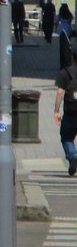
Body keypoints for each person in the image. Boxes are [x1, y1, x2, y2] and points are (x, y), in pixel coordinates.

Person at [53, 44, 77, 177]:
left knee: (66, 137)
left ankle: (73, 155)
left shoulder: (65, 73)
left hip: (71, 113)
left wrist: (56, 111)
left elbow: (59, 93)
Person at [55, 3, 73, 68]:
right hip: (68, 27)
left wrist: (55, 28)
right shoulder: (69, 14)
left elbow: (56, 22)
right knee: (68, 41)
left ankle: (63, 61)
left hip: (61, 28)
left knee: (62, 42)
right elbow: (70, 20)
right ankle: (68, 54)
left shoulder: (60, 14)